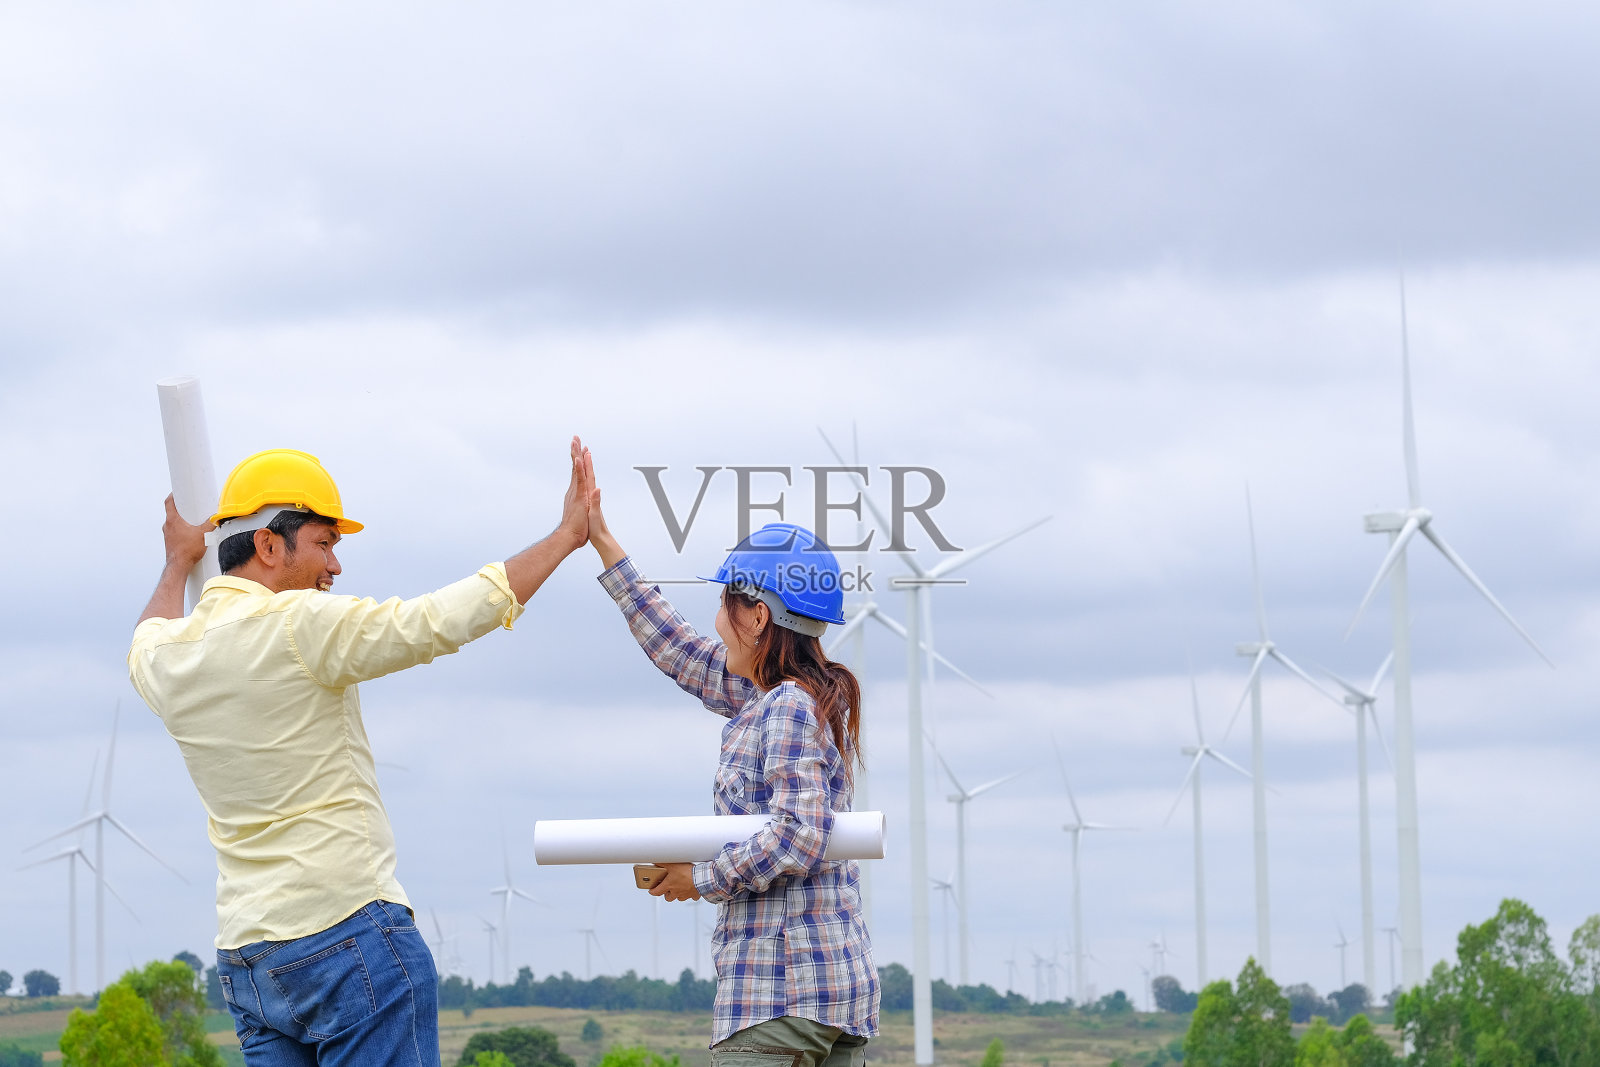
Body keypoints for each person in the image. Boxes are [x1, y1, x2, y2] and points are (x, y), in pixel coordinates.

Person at [128, 439, 594, 1067]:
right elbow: (437, 620)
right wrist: (566, 536)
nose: (335, 567)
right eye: (324, 542)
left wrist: (177, 561)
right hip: (346, 934)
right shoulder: (297, 625)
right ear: (268, 544)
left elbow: (145, 638)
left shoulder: (170, 658)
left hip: (250, 961)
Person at [585, 458, 879, 1067]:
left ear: (757, 615)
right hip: (825, 992)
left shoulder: (788, 707)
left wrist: (703, 878)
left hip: (781, 990)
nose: (717, 623)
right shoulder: (775, 699)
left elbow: (798, 835)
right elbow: (678, 649)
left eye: (725, 604)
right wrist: (603, 543)